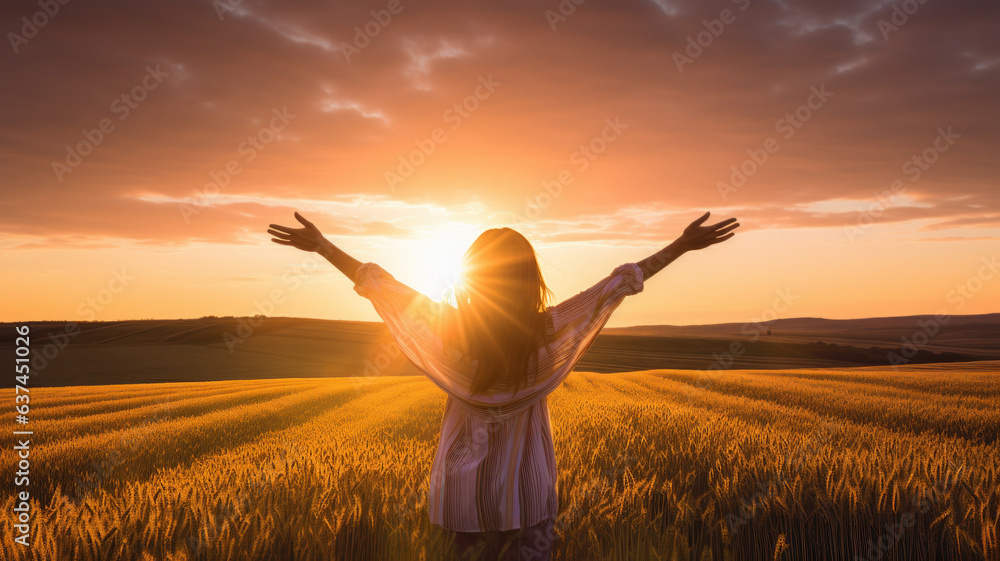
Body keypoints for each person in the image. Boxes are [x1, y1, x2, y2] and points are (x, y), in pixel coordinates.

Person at [267, 211, 739, 560]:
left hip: (460, 489)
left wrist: (324, 247)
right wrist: (679, 246)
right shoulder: (551, 329)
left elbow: (380, 285)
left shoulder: (448, 329)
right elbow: (618, 284)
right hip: (527, 486)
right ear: (529, 276)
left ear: (474, 276)